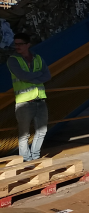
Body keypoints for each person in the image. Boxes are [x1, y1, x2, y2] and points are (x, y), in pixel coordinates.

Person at [7, 33, 51, 162]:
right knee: (24, 134)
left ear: (28, 45)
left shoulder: (38, 58)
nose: (17, 46)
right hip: (24, 102)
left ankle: (35, 157)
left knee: (42, 131)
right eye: (16, 44)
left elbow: (47, 76)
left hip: (40, 100)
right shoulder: (13, 60)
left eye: (20, 44)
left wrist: (32, 76)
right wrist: (38, 76)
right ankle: (26, 159)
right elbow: (23, 76)